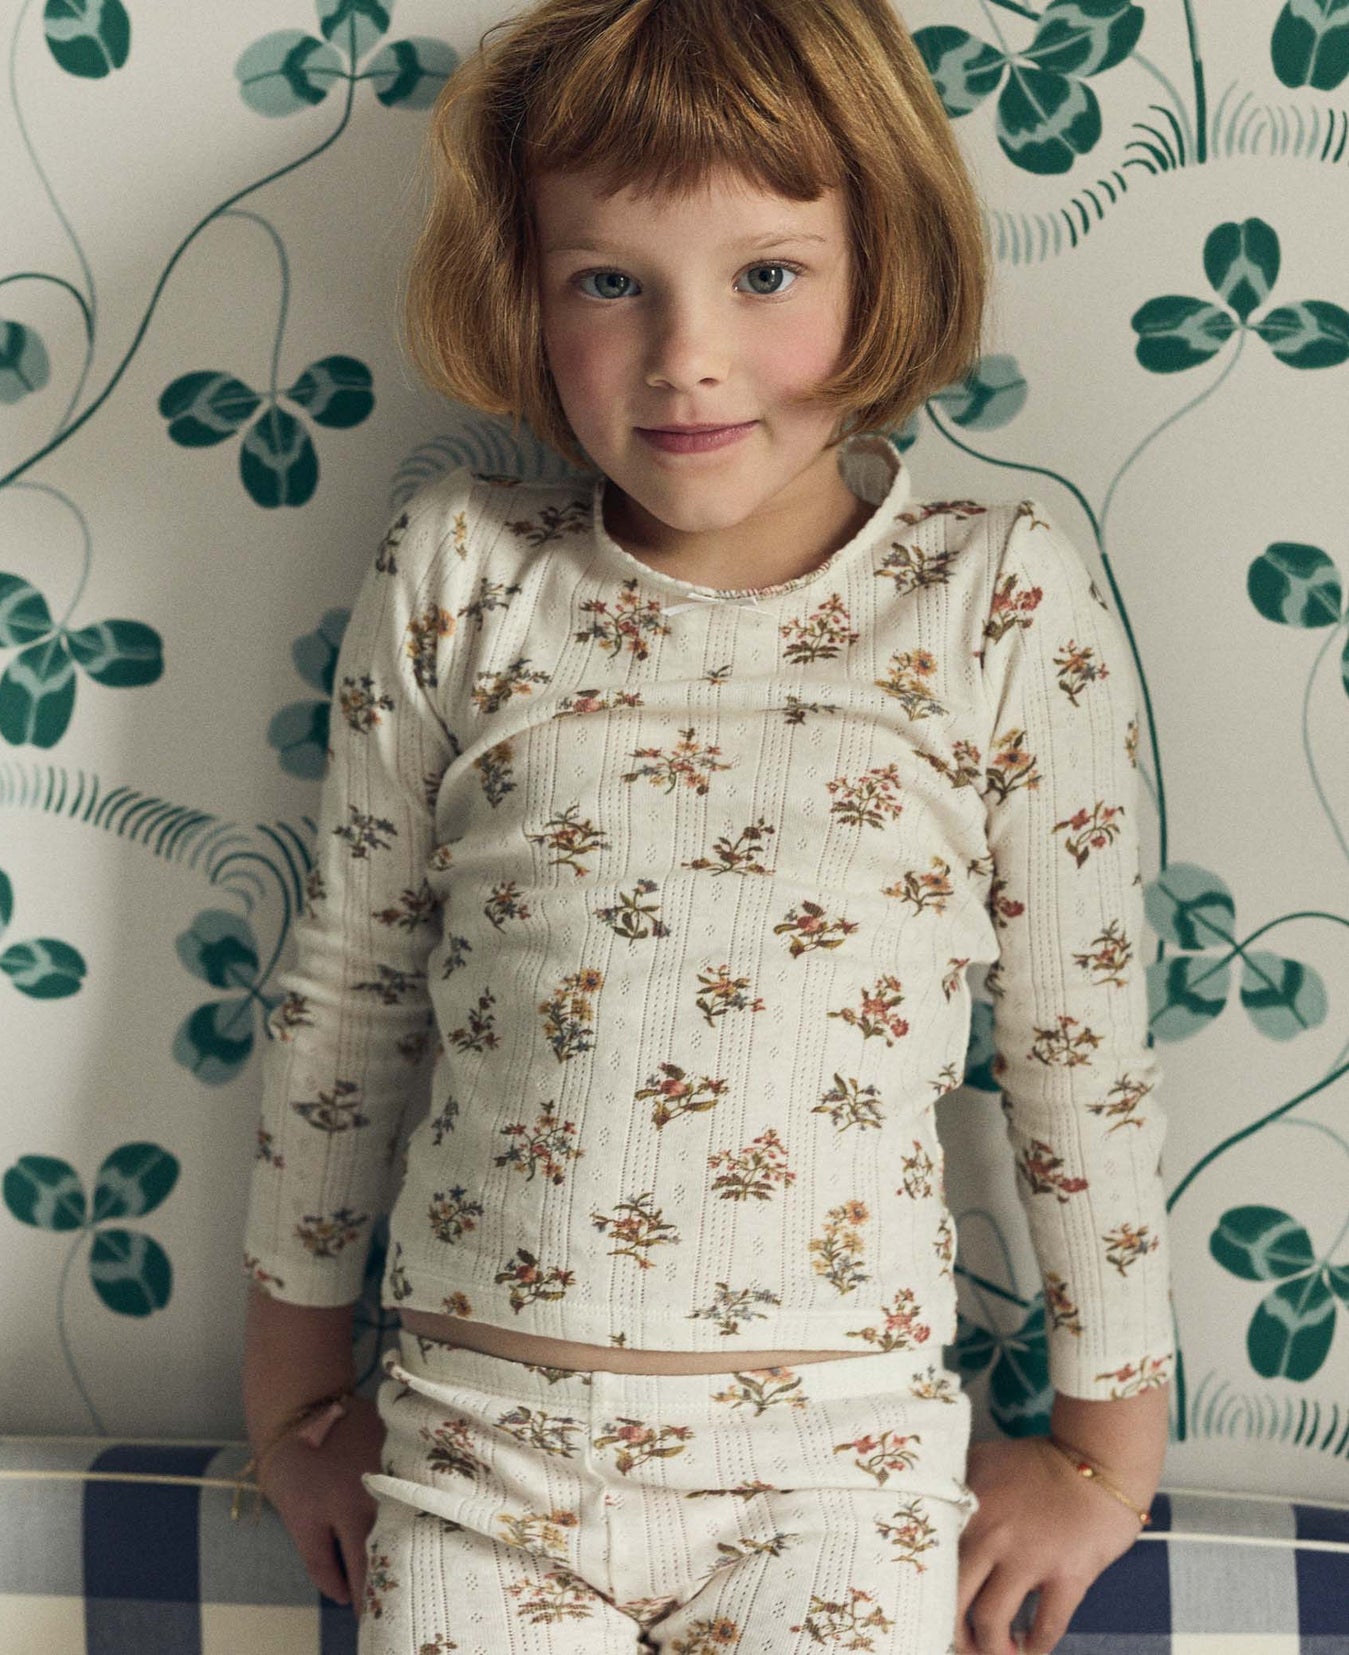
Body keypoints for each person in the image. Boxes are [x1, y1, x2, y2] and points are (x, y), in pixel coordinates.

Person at [237, 1, 1175, 1651]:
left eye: (766, 275)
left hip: (843, 1472)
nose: (686, 353)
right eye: (610, 280)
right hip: (474, 1459)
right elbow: (350, 994)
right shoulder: (461, 568)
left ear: (882, 270)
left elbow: (1074, 1040)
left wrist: (1106, 1454)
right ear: (525, 290)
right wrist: (295, 1396)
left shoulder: (995, 592)